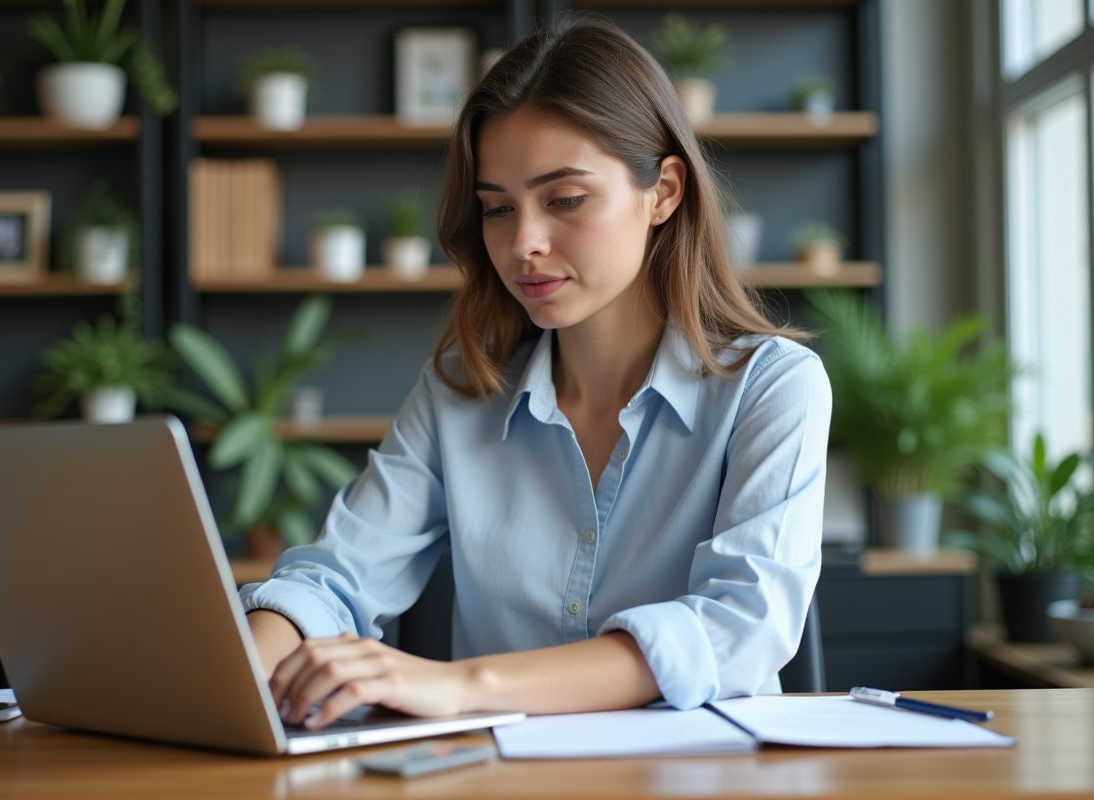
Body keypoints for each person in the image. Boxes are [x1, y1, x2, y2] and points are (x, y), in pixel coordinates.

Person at [242, 16, 831, 730]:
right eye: (497, 209)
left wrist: (462, 686)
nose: (523, 243)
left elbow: (739, 625)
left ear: (664, 192)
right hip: (501, 776)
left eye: (566, 200)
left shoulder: (773, 387)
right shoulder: (460, 391)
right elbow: (336, 577)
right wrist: (240, 671)